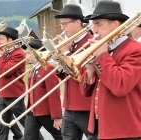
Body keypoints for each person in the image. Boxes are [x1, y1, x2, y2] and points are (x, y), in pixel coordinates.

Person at [79, 1, 141, 139]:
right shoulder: (104, 48)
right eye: (93, 25)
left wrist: (103, 56)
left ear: (115, 24)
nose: (94, 30)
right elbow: (85, 92)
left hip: (123, 130)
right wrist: (90, 70)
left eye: (99, 24)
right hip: (97, 127)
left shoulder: (135, 50)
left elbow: (120, 86)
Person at [54, 4, 93, 140]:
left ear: (78, 22)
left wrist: (66, 52)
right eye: (61, 25)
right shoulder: (70, 43)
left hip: (86, 106)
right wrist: (60, 62)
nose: (62, 28)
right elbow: (65, 76)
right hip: (69, 106)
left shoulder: (90, 42)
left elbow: (84, 73)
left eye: (64, 24)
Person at [22, 39, 63, 140]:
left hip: (46, 113)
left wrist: (57, 116)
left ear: (37, 53)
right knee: (28, 137)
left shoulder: (48, 68)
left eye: (28, 53)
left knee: (60, 136)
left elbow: (54, 93)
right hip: (32, 111)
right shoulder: (32, 69)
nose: (26, 56)